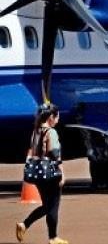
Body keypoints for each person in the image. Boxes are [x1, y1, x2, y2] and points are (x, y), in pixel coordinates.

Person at [17, 103, 69, 244]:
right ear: (51, 117)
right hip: (50, 173)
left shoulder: (36, 131)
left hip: (38, 173)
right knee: (53, 206)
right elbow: (54, 153)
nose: (58, 119)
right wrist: (62, 172)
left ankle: (25, 224)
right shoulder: (51, 132)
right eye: (57, 116)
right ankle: (53, 238)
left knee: (47, 206)